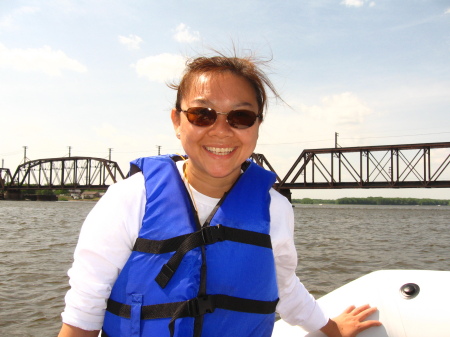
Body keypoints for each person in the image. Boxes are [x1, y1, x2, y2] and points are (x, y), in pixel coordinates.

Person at [58, 53, 381, 337]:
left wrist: (331, 328)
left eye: (240, 117)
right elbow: (85, 306)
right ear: (177, 121)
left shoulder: (276, 209)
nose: (221, 130)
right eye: (203, 114)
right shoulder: (130, 197)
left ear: (257, 125)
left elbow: (283, 284)